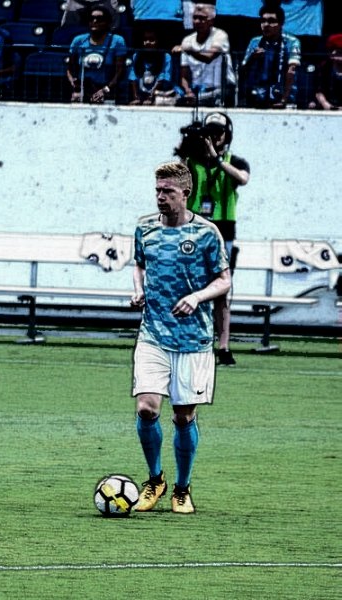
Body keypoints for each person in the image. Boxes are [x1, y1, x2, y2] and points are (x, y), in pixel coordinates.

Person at [130, 161, 231, 514]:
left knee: (184, 417)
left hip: (193, 339)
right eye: (157, 190)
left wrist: (196, 297)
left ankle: (183, 488)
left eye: (168, 191)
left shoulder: (206, 233)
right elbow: (139, 265)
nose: (160, 197)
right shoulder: (144, 228)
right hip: (153, 334)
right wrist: (139, 290)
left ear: (185, 194)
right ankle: (155, 480)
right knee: (146, 407)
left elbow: (224, 280)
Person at [176, 111, 249, 366]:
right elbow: (176, 182)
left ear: (226, 135)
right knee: (187, 288)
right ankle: (189, 341)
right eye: (210, 132)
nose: (214, 137)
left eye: (219, 132)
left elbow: (242, 178)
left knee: (221, 292)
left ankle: (224, 347)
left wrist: (217, 159)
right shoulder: (192, 162)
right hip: (195, 229)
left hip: (224, 231)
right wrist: (186, 149)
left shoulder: (234, 160)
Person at [172, 3, 236, 107]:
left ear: (211, 21)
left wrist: (189, 50)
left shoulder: (220, 35)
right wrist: (188, 92)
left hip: (221, 90)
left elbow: (208, 57)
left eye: (202, 18)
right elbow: (184, 76)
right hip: (197, 91)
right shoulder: (187, 40)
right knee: (174, 99)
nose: (197, 21)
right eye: (195, 18)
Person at [241, 5, 301, 109]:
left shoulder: (292, 42)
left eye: (271, 21)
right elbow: (243, 69)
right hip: (259, 97)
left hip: (284, 98)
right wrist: (253, 57)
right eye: (263, 21)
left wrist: (284, 100)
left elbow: (292, 69)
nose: (266, 25)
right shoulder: (255, 42)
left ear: (281, 23)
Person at [67, 3, 127, 104]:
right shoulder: (78, 40)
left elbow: (120, 71)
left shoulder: (117, 40)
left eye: (100, 19)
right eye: (92, 18)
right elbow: (70, 69)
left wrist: (105, 90)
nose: (95, 21)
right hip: (84, 88)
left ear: (108, 22)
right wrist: (75, 86)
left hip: (108, 88)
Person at [128, 28, 177, 105]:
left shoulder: (166, 57)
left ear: (158, 41)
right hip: (141, 95)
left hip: (160, 94)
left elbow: (164, 78)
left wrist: (151, 97)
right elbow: (133, 77)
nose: (147, 42)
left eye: (151, 40)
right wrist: (136, 97)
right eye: (145, 40)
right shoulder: (136, 56)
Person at [310, 33, 342, 110]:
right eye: (332, 50)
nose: (334, 53)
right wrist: (326, 105)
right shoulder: (324, 67)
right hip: (328, 106)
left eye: (339, 51)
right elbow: (318, 91)